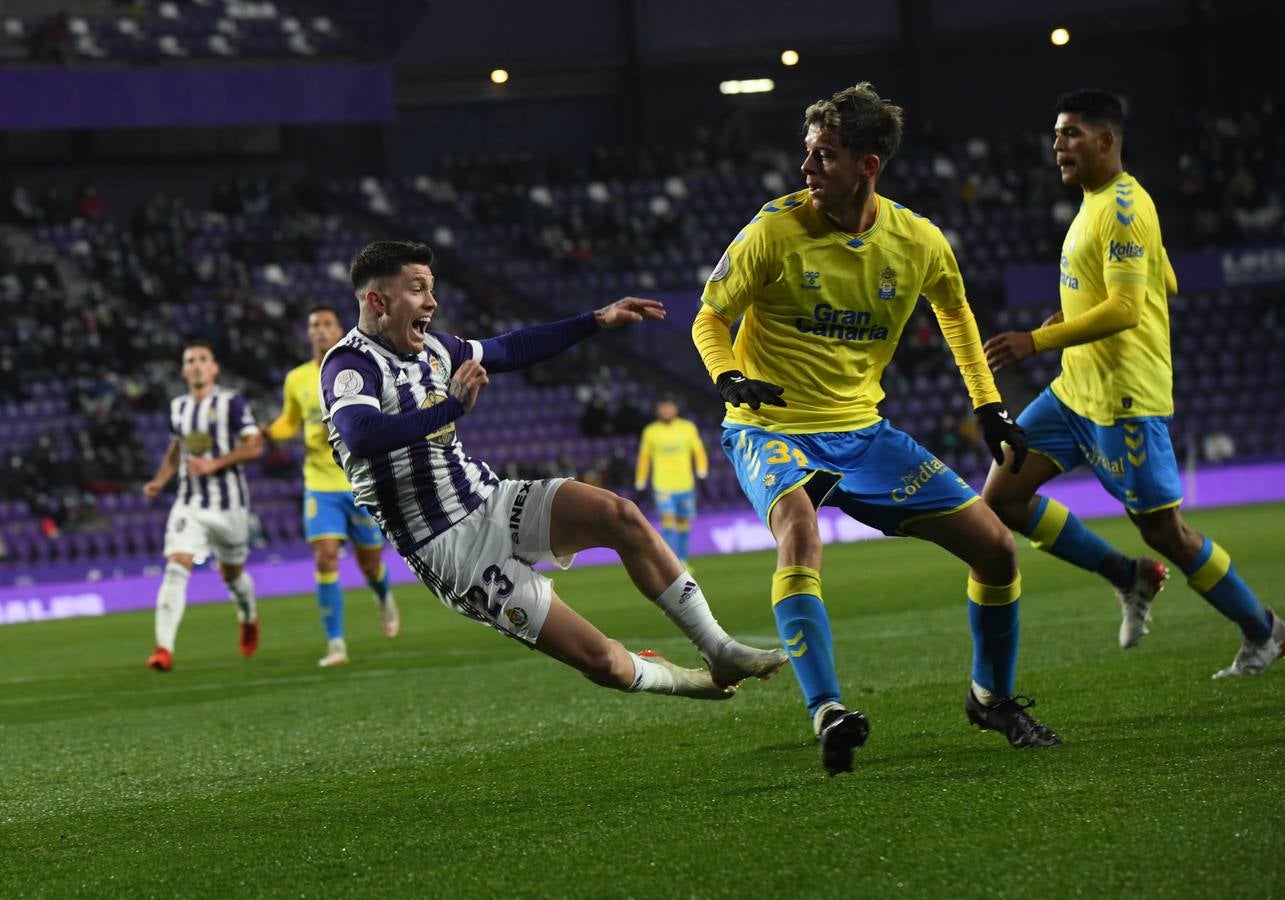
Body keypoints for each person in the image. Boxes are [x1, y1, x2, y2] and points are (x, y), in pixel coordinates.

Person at [691, 82, 1062, 776]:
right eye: (806, 153)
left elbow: (954, 313)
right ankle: (828, 711)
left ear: (868, 164)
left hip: (863, 433)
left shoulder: (915, 240)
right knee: (798, 530)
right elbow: (708, 317)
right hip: (770, 427)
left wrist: (988, 405)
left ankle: (992, 698)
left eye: (823, 155)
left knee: (996, 551)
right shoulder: (771, 230)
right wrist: (726, 377)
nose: (806, 168)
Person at [320, 240, 787, 704]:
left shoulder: (437, 350)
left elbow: (510, 348)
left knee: (618, 514)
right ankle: (681, 680)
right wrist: (451, 408)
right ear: (377, 300)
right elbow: (362, 435)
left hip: (490, 498)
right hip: (448, 546)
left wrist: (595, 320)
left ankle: (719, 648)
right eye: (417, 289)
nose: (432, 301)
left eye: (432, 288)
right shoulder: (350, 364)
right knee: (602, 660)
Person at [982, 89, 1285, 678]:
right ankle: (1129, 576)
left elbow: (1125, 308)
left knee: (1165, 532)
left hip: (1122, 400)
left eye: (1071, 133)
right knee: (1003, 497)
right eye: (1056, 133)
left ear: (1106, 140)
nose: (1057, 144)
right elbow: (1164, 279)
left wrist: (1037, 340)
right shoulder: (1099, 201)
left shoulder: (1122, 206)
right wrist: (1071, 317)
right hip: (1076, 391)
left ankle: (1264, 631)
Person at [263, 306, 400, 667]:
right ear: (308, 333)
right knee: (325, 556)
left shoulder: (356, 368)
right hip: (319, 484)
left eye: (326, 324)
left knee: (370, 564)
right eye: (314, 325)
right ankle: (336, 644)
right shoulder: (296, 379)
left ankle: (383, 594)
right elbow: (289, 422)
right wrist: (267, 433)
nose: (321, 331)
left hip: (358, 480)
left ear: (339, 329)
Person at [142, 342, 263, 671]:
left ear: (214, 369)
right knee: (176, 565)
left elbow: (254, 445)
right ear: (183, 371)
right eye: (190, 361)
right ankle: (163, 649)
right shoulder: (178, 407)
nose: (196, 365)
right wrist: (161, 478)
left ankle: (248, 615)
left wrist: (215, 464)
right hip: (190, 503)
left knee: (231, 574)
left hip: (229, 505)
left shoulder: (231, 402)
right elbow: (176, 448)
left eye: (202, 360)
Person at [634, 396, 709, 565]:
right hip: (663, 485)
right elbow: (644, 458)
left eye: (669, 407)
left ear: (675, 409)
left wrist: (702, 473)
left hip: (685, 484)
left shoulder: (688, 428)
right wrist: (640, 481)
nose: (666, 411)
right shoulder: (651, 431)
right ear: (658, 410)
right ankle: (670, 563)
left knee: (683, 524)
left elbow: (699, 451)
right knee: (668, 523)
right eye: (663, 407)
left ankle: (682, 561)